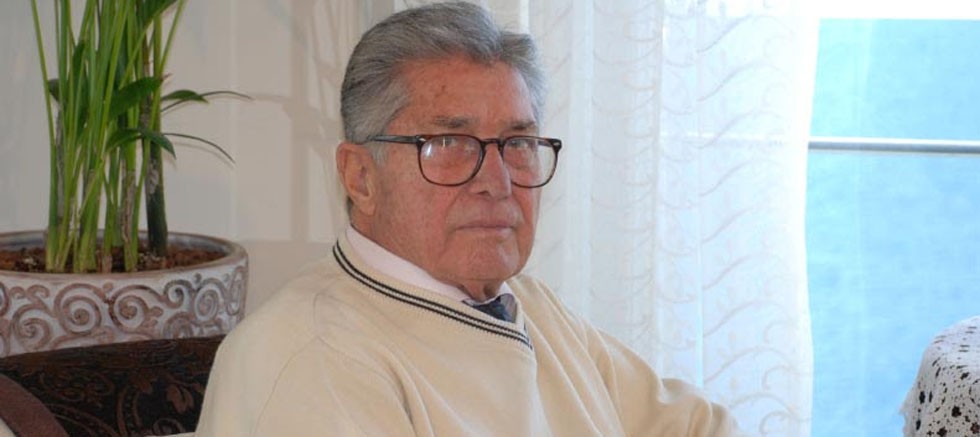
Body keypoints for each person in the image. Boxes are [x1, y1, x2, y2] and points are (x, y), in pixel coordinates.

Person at [196, 2, 737, 436]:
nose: (497, 181)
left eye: (517, 143)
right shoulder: (312, 357)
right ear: (360, 178)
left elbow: (697, 426)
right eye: (449, 143)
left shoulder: (531, 306)